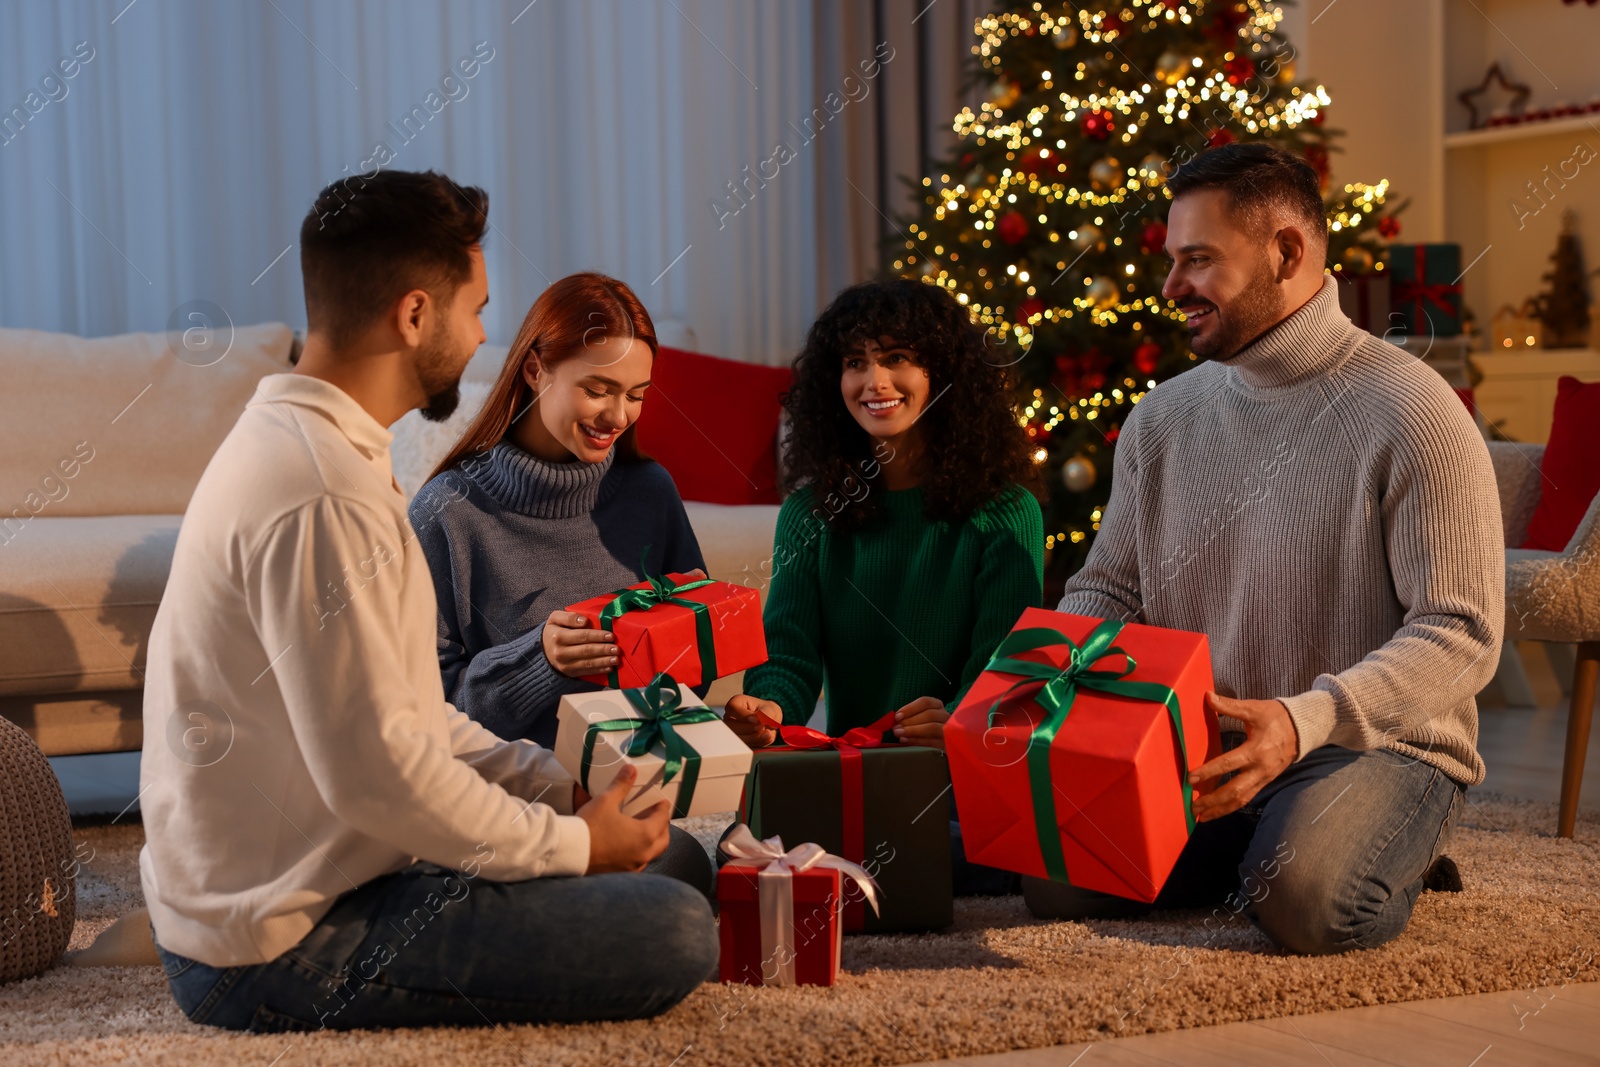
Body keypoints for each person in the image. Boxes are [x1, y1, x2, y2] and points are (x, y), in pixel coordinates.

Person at [139, 170, 716, 1033]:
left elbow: (411, 714)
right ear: (415, 315)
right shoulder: (323, 494)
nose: (485, 332)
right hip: (275, 937)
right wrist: (579, 846)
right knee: (675, 929)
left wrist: (555, 791)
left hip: (327, 869)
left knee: (675, 860)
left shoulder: (321, 451)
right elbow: (385, 781)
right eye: (477, 309)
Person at [1025, 143, 1503, 953]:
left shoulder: (1413, 410)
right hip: (1206, 743)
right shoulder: (1161, 419)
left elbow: (1462, 634)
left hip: (1374, 742)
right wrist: (1047, 694)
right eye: (1173, 261)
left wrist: (1300, 720)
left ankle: (1364, 847)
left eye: (1199, 260)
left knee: (1304, 901)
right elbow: (1107, 591)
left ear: (1286, 252)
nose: (1172, 287)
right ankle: (1262, 846)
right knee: (1056, 879)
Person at [721, 277, 1045, 894]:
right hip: (855, 773)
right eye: (855, 363)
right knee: (742, 851)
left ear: (943, 373)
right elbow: (787, 654)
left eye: (897, 358)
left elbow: (1002, 672)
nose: (874, 382)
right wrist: (768, 710)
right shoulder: (811, 513)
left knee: (957, 857)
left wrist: (955, 719)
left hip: (961, 778)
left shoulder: (1004, 512)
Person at [408, 271, 712, 894]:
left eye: (637, 394)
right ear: (535, 370)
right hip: (496, 809)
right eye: (597, 389)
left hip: (617, 796)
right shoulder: (448, 511)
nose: (618, 416)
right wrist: (538, 660)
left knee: (683, 869)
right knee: (657, 895)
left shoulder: (650, 492)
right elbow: (420, 713)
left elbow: (695, 665)